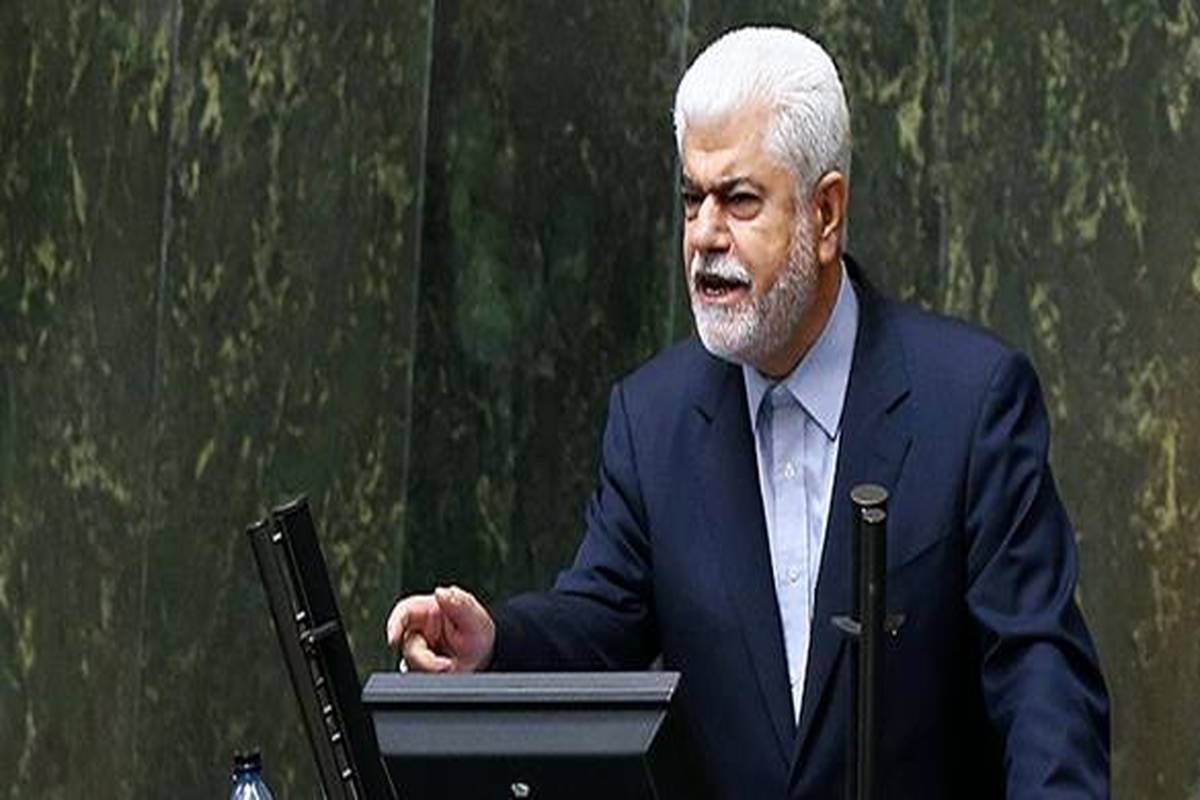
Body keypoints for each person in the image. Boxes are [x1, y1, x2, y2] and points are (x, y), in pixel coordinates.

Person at [386, 26, 1110, 798]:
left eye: (737, 200)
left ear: (825, 214)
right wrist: (495, 643)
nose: (704, 235)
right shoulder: (653, 420)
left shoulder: (970, 402)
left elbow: (1042, 682)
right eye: (691, 199)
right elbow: (599, 622)